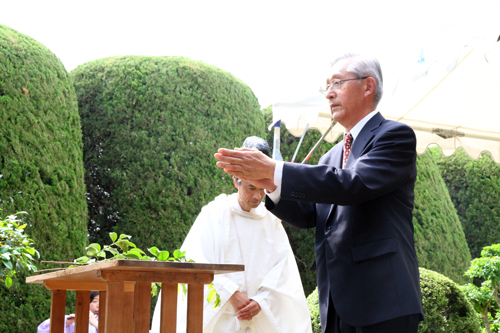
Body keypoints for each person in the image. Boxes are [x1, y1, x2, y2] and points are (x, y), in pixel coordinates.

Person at [214, 53, 424, 333]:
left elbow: (352, 184)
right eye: (326, 87)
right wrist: (267, 181)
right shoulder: (332, 155)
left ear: (368, 86)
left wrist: (276, 169)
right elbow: (309, 213)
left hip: (382, 300)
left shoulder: (394, 136)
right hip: (336, 303)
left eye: (337, 83)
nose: (329, 94)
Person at [151, 136, 312, 333]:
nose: (256, 196)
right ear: (236, 181)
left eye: (262, 189)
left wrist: (261, 301)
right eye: (251, 187)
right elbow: (195, 259)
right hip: (221, 314)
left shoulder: (272, 220)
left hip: (260, 316)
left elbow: (283, 270)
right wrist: (230, 293)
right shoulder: (214, 213)